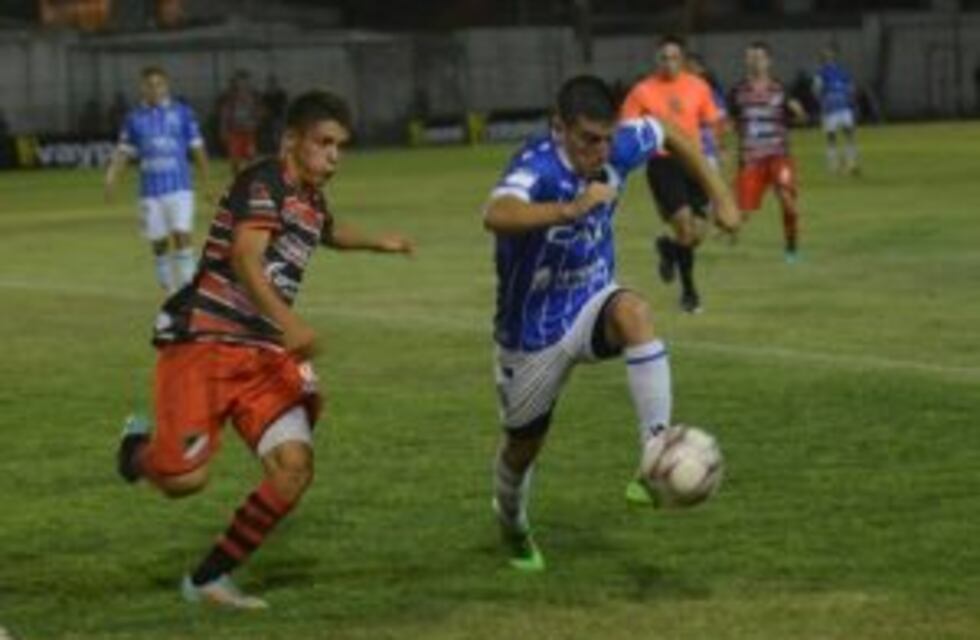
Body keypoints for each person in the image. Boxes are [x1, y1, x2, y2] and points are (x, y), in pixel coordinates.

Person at [115, 90, 415, 608]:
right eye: (324, 143)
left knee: (293, 467)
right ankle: (136, 452)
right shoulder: (265, 181)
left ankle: (208, 578)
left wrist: (377, 242)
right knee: (184, 480)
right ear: (292, 141)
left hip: (261, 354)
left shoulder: (311, 198)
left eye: (340, 146)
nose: (334, 156)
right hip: (205, 342)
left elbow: (328, 230)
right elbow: (247, 258)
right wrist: (290, 323)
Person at [483, 75, 738, 571]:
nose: (600, 151)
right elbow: (496, 212)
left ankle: (653, 453)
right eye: (587, 140)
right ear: (559, 127)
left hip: (590, 300)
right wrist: (568, 208)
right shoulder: (537, 166)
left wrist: (721, 195)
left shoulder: (617, 147)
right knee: (522, 446)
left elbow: (667, 130)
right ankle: (511, 520)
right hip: (531, 334)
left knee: (635, 312)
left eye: (606, 139)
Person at [621, 35, 726, 313]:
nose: (669, 63)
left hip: (693, 161)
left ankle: (668, 249)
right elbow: (627, 128)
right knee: (685, 226)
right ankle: (689, 293)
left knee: (698, 233)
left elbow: (712, 121)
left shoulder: (698, 87)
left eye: (674, 57)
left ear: (683, 59)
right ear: (656, 60)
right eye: (663, 58)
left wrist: (716, 153)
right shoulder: (642, 91)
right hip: (663, 162)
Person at [105, 66, 211, 293]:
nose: (155, 89)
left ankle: (187, 290)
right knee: (159, 243)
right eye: (149, 85)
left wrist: (206, 182)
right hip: (150, 192)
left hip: (180, 187)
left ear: (166, 86)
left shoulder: (183, 113)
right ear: (142, 88)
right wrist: (112, 177)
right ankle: (168, 289)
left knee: (182, 235)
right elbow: (123, 152)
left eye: (159, 84)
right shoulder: (133, 119)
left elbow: (197, 148)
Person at [728, 41, 809, 263]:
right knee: (739, 215)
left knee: (788, 203)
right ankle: (726, 236)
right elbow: (731, 123)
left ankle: (792, 249)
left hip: (778, 155)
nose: (755, 62)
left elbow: (800, 117)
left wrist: (799, 113)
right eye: (751, 57)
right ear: (746, 61)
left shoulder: (780, 89)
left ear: (768, 61)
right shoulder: (738, 92)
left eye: (760, 57)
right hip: (752, 159)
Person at [813, 45, 860, 175]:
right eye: (825, 55)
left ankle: (851, 165)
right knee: (831, 137)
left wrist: (850, 97)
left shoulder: (842, 71)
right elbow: (816, 90)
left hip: (844, 108)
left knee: (849, 134)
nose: (828, 56)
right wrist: (823, 101)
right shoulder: (821, 73)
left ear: (834, 56)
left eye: (830, 54)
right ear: (822, 58)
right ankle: (833, 166)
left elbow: (851, 87)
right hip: (830, 110)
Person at [685, 52, 728, 172]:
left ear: (701, 69)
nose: (690, 72)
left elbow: (720, 122)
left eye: (693, 68)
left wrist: (720, 146)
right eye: (687, 68)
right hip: (685, 152)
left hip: (708, 151)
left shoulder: (712, 93)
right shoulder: (679, 94)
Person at [220, 70, 262, 175]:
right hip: (235, 131)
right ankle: (236, 177)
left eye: (245, 81)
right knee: (235, 158)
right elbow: (225, 114)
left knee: (251, 155)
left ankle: (251, 177)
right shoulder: (231, 98)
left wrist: (255, 122)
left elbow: (258, 113)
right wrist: (224, 129)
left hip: (248, 131)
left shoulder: (253, 97)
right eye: (240, 81)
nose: (243, 84)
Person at [260, 74, 288, 155]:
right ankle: (271, 151)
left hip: (278, 118)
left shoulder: (281, 94)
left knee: (277, 135)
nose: (271, 85)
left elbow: (284, 107)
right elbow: (263, 108)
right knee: (270, 136)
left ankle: (279, 150)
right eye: (270, 83)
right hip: (268, 119)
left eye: (273, 83)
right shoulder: (265, 95)